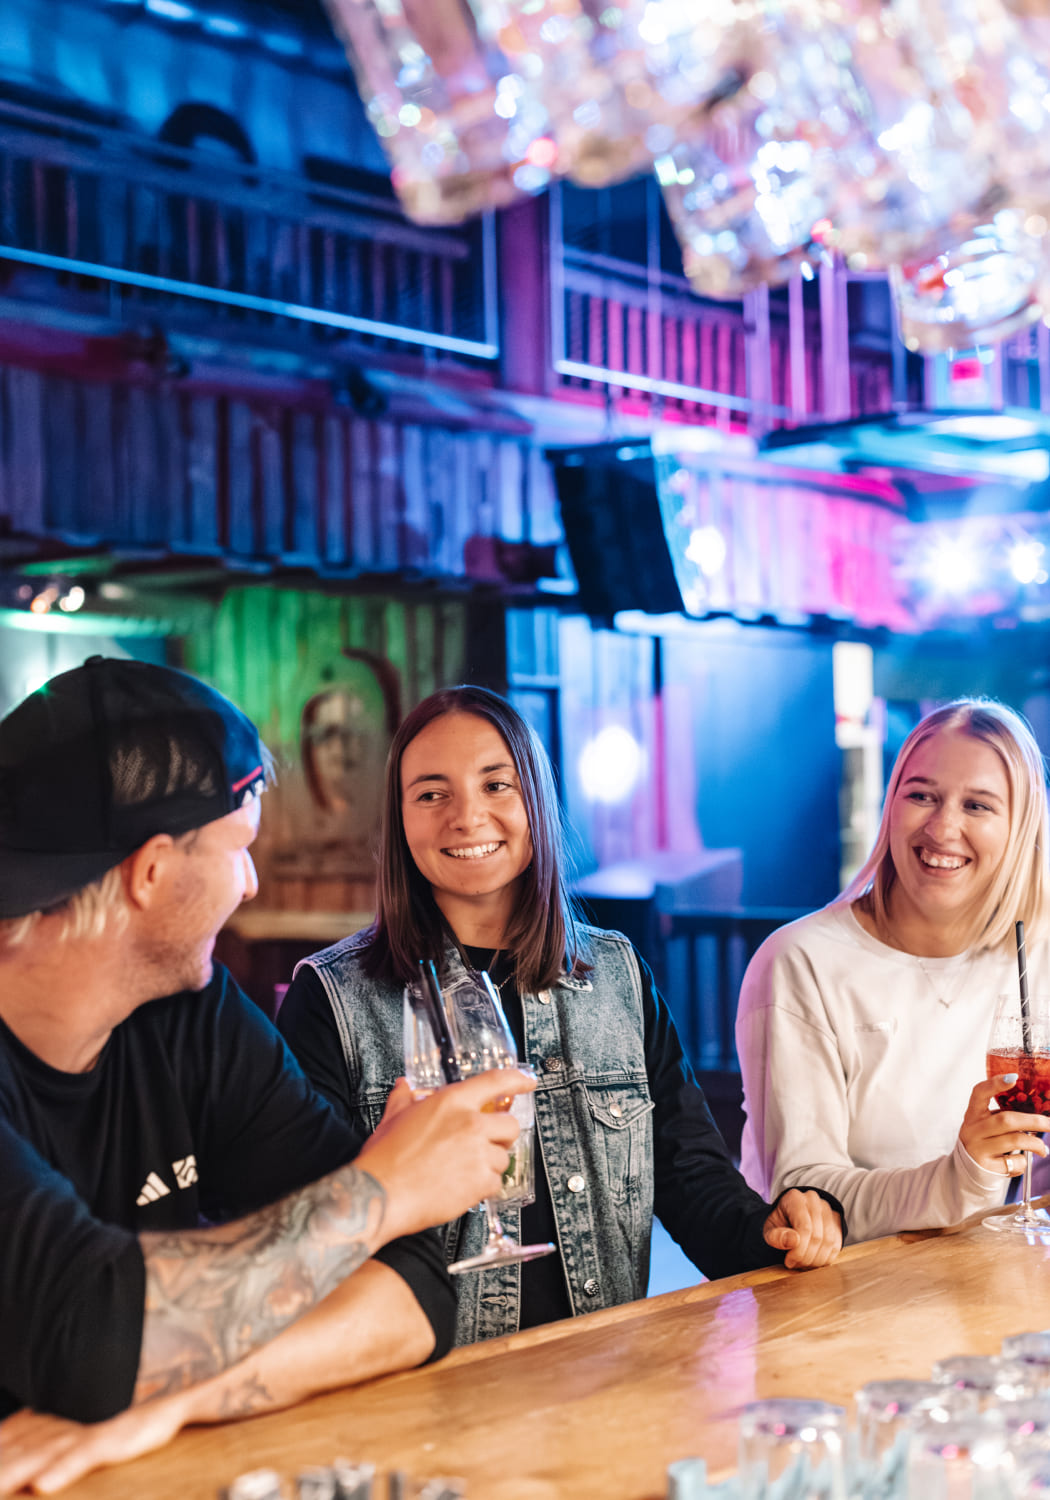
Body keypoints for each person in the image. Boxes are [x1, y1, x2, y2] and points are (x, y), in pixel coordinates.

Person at [0, 657, 531, 1494]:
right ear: (151, 872)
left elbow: (415, 1291)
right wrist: (383, 1189)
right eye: (240, 848)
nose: (249, 886)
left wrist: (178, 1394)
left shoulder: (188, 1012)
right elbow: (90, 1332)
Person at [276, 685, 844, 1346]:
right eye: (431, 794)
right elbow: (301, 1243)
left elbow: (691, 1177)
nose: (467, 816)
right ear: (399, 818)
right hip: (427, 1382)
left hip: (601, 1371)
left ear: (536, 801)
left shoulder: (615, 973)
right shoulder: (333, 997)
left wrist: (769, 1229)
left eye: (496, 785)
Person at [736, 697, 1050, 1246]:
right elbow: (806, 1193)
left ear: (1021, 829)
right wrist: (961, 1176)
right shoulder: (800, 961)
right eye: (921, 795)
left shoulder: (1036, 954)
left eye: (977, 805)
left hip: (1000, 1277)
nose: (943, 827)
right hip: (845, 1284)